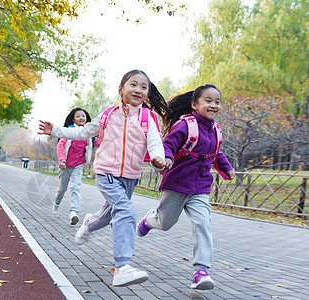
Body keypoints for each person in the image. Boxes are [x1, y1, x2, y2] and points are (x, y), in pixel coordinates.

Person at [39, 69, 169, 287]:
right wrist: (56, 131)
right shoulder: (109, 114)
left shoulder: (148, 118)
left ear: (147, 93)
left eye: (143, 87)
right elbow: (83, 132)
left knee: (109, 214)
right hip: (106, 172)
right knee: (125, 210)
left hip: (130, 176)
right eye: (133, 85)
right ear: (121, 89)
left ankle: (89, 224)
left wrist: (158, 157)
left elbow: (155, 141)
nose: (138, 90)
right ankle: (122, 267)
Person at [136, 84, 235, 290]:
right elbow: (169, 145)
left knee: (203, 224)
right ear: (194, 105)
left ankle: (201, 271)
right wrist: (168, 158)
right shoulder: (186, 125)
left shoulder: (216, 130)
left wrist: (226, 169)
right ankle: (149, 219)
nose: (213, 105)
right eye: (208, 101)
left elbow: (216, 153)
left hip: (200, 186)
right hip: (176, 183)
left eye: (217, 102)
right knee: (165, 223)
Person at [54, 108, 96, 226]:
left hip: (78, 164)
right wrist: (61, 160)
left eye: (83, 116)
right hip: (65, 165)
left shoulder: (88, 134)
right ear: (73, 119)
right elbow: (60, 145)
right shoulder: (69, 131)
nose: (81, 118)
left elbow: (97, 142)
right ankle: (57, 204)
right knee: (62, 189)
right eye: (78, 116)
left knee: (75, 187)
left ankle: (74, 212)